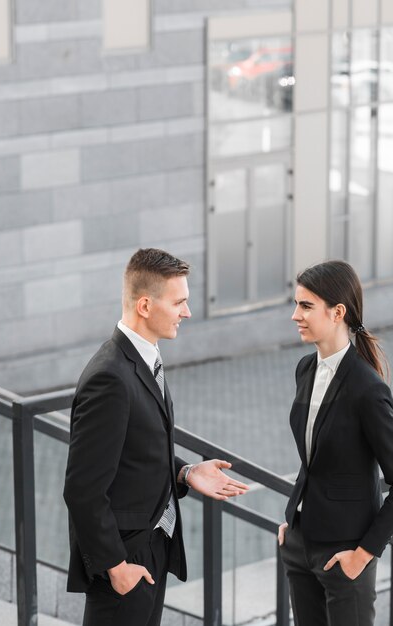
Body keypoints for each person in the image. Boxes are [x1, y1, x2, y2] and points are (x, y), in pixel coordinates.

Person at [63, 248, 249, 626]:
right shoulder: (110, 377)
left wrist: (184, 473)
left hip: (153, 546)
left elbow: (135, 449)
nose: (187, 312)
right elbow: (82, 489)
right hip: (126, 559)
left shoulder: (143, 360)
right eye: (179, 302)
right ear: (145, 305)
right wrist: (117, 567)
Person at [277, 260, 393, 626]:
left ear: (337, 312)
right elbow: (316, 459)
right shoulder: (305, 369)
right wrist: (293, 519)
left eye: (305, 306)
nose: (295, 315)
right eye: (296, 304)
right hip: (300, 543)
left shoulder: (367, 390)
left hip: (345, 556)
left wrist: (364, 553)